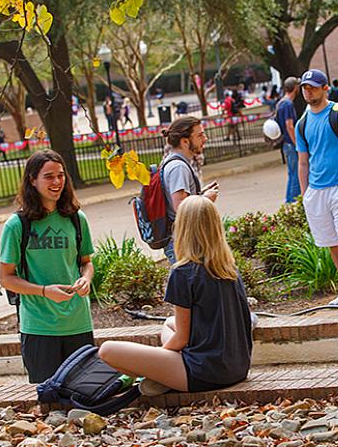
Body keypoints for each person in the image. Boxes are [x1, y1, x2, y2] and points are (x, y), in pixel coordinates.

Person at [99, 196, 253, 396]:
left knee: (107, 350)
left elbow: (181, 339)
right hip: (238, 368)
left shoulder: (184, 272)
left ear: (182, 227)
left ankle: (160, 377)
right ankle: (164, 376)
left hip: (204, 373)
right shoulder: (228, 267)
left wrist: (157, 360)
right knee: (169, 323)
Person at [0, 150, 95, 383]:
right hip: (38, 327)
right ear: (32, 180)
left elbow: (86, 262)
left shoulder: (77, 218)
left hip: (78, 322)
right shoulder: (16, 225)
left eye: (60, 175)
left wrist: (86, 279)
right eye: (49, 176)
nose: (57, 182)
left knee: (83, 392)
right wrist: (44, 291)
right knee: (49, 396)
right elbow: (6, 278)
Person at [296, 69, 338, 315]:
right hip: (317, 190)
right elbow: (303, 161)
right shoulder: (302, 122)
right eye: (305, 88)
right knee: (332, 243)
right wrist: (305, 194)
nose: (308, 92)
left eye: (313, 87)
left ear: (325, 88)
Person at [160, 116, 220, 264]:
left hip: (184, 241)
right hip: (184, 243)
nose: (205, 139)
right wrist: (205, 199)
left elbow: (184, 200)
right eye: (200, 135)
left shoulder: (178, 163)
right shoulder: (178, 167)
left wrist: (200, 194)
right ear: (185, 141)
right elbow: (182, 208)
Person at [276, 77, 301, 203]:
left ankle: (289, 199)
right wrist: (297, 144)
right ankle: (293, 200)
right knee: (296, 172)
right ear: (295, 87)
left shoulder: (281, 103)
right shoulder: (288, 104)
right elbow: (289, 126)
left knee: (292, 172)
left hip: (285, 143)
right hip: (290, 143)